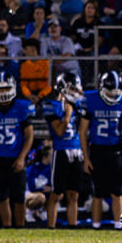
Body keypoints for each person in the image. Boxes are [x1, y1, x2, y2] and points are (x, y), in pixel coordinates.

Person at [0, 72, 34, 229]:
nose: (3, 92)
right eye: (0, 89)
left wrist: (22, 157)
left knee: (19, 197)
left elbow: (29, 136)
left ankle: (20, 228)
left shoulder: (22, 107)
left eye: (6, 88)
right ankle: (8, 228)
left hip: (16, 156)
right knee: (1, 196)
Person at [80, 70, 122, 229]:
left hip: (115, 149)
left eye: (115, 93)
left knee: (117, 190)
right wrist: (86, 157)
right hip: (96, 149)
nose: (112, 96)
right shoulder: (90, 100)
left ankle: (118, 226)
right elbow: (83, 131)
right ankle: (95, 226)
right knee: (97, 191)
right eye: (109, 92)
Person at [44, 71, 85, 229]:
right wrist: (67, 115)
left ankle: (72, 227)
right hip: (60, 151)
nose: (75, 93)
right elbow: (59, 132)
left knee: (74, 193)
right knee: (56, 194)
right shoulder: (52, 106)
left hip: (77, 151)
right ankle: (51, 228)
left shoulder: (80, 106)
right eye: (72, 89)